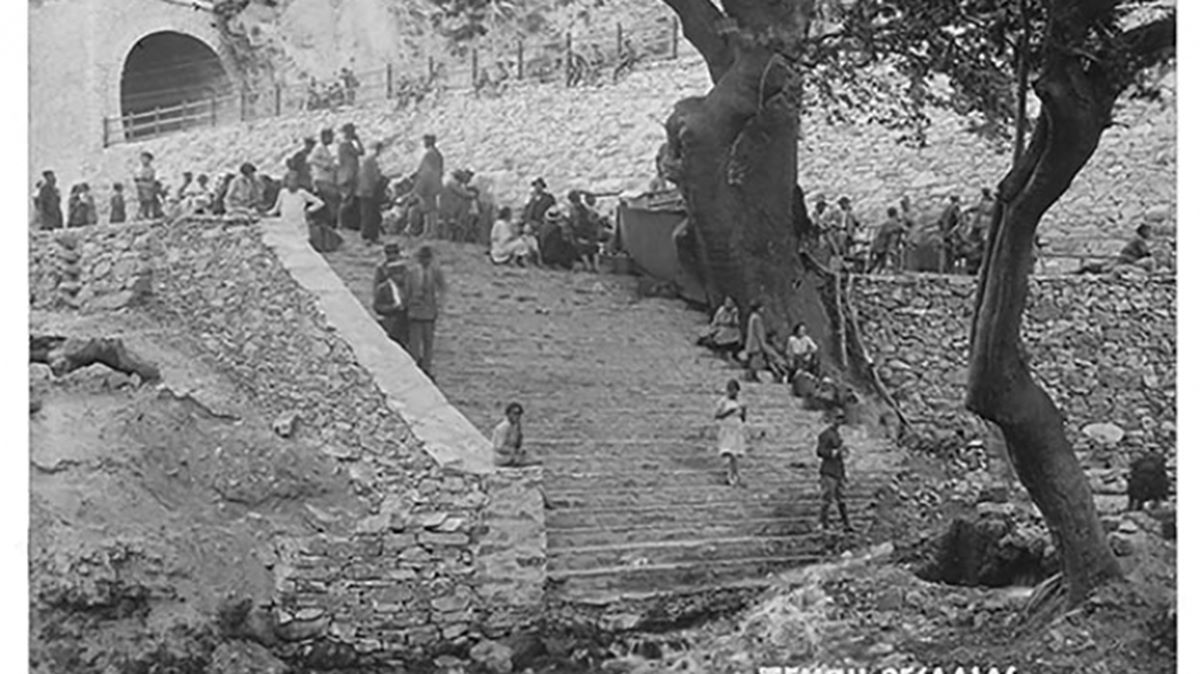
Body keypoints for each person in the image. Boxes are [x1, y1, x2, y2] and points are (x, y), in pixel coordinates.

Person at [404, 245, 447, 379]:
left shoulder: (436, 272)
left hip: (430, 312)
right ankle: (414, 367)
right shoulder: (412, 272)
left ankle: (426, 368)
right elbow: (407, 290)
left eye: (427, 258)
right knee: (415, 343)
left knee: (428, 342)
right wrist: (409, 304)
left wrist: (438, 305)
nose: (425, 261)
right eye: (423, 258)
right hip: (415, 312)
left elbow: (442, 289)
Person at [816, 411, 854, 532]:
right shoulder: (825, 434)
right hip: (829, 471)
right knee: (827, 498)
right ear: (831, 419)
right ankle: (822, 523)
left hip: (838, 471)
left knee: (842, 498)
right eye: (837, 418)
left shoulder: (837, 434)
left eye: (841, 419)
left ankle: (846, 524)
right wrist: (832, 453)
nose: (839, 421)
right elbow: (820, 451)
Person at [267, 170, 324, 238]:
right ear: (287, 182)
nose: (292, 183)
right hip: (286, 226)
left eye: (294, 181)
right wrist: (266, 214)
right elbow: (276, 209)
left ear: (298, 182)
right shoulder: (283, 193)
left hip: (299, 226)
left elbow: (320, 203)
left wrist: (309, 210)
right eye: (290, 181)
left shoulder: (302, 193)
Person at [373, 243, 408, 348]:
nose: (392, 256)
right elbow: (377, 291)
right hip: (389, 309)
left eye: (394, 253)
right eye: (389, 253)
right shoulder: (381, 268)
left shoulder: (404, 267)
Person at [714, 379, 748, 487]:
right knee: (730, 453)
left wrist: (743, 411)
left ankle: (733, 475)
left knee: (735, 454)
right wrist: (728, 412)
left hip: (736, 429)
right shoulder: (723, 401)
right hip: (727, 428)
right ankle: (733, 475)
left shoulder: (740, 402)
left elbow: (743, 419)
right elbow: (717, 415)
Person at [414, 134, 444, 237]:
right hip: (433, 184)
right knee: (430, 208)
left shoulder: (430, 154)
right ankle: (429, 230)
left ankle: (430, 231)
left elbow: (426, 172)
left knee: (429, 209)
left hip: (428, 185)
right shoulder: (437, 154)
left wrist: (420, 185)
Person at [307, 128, 339, 227]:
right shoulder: (319, 148)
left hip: (327, 179)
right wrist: (324, 165)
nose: (332, 139)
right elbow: (310, 159)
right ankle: (332, 222)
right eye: (331, 136)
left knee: (330, 201)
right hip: (322, 179)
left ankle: (330, 221)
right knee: (333, 199)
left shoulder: (325, 149)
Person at [358, 141, 385, 244]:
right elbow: (375, 177)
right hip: (369, 190)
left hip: (365, 189)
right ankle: (371, 236)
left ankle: (367, 235)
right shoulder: (372, 161)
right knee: (371, 213)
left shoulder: (368, 160)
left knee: (367, 213)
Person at [567, 190, 600, 272]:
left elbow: (574, 223)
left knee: (581, 249)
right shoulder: (586, 208)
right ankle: (596, 266)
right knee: (594, 248)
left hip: (581, 233)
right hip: (591, 233)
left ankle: (588, 265)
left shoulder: (574, 209)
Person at [441, 169, 478, 242]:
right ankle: (448, 239)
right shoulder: (451, 183)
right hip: (449, 208)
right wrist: (472, 194)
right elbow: (463, 193)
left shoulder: (452, 183)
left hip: (450, 208)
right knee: (448, 225)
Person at [492, 402, 533, 467]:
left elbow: (517, 444)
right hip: (501, 457)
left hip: (511, 455)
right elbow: (499, 447)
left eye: (519, 414)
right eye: (515, 413)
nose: (517, 416)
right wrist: (513, 451)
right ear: (508, 414)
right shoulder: (504, 427)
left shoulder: (515, 426)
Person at [867, 207, 907, 274]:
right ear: (896, 214)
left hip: (877, 245)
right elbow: (904, 231)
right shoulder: (896, 224)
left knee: (880, 260)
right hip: (886, 247)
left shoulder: (884, 224)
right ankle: (895, 272)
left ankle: (871, 269)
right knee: (895, 257)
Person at [743, 301, 768, 382]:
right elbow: (759, 331)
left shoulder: (752, 317)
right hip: (755, 343)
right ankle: (751, 375)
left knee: (753, 360)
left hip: (751, 341)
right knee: (755, 360)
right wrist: (762, 343)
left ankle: (752, 375)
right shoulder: (756, 318)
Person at [937, 195, 962, 272]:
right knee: (954, 251)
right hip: (951, 233)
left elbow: (939, 221)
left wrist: (942, 231)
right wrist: (953, 231)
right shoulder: (955, 208)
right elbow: (960, 222)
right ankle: (953, 269)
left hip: (945, 233)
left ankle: (946, 269)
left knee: (946, 251)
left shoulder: (946, 209)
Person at [134, 152, 157, 220]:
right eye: (142, 158)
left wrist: (141, 177)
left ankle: (150, 214)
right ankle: (142, 214)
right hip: (141, 188)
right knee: (142, 202)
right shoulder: (140, 169)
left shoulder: (150, 169)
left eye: (145, 158)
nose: (143, 160)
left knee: (149, 201)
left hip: (148, 187)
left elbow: (148, 177)